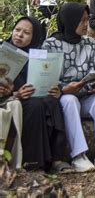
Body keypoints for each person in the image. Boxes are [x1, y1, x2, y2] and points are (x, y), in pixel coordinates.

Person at [42, 2, 95, 172]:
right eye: (81, 20)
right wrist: (63, 88)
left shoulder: (89, 43)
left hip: (87, 94)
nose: (86, 24)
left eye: (87, 19)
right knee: (69, 100)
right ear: (69, 20)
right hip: (65, 99)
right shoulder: (51, 45)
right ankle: (78, 155)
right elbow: (46, 78)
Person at [1, 16, 71, 173]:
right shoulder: (3, 51)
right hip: (11, 99)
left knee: (52, 102)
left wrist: (55, 89)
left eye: (26, 32)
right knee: (35, 105)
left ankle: (56, 159)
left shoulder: (38, 54)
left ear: (34, 37)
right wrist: (15, 93)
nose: (19, 35)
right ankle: (33, 163)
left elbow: (46, 77)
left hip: (32, 96)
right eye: (17, 30)